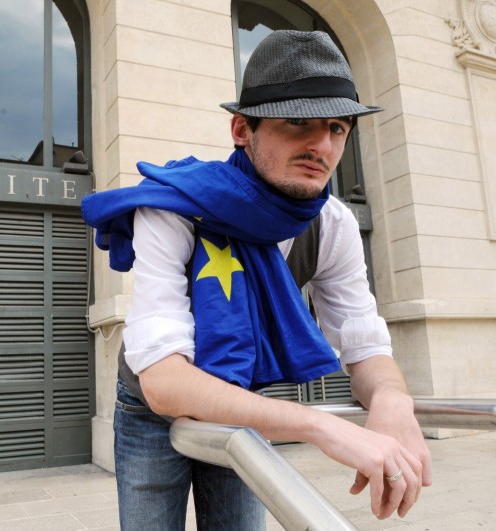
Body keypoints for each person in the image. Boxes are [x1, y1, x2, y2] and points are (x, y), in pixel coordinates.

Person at [82, 30, 432, 531]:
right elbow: (163, 380)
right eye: (298, 122)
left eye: (337, 127)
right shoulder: (177, 206)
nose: (322, 145)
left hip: (241, 402)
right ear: (242, 130)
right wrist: (319, 426)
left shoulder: (333, 224)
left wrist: (393, 401)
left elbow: (362, 339)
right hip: (148, 411)